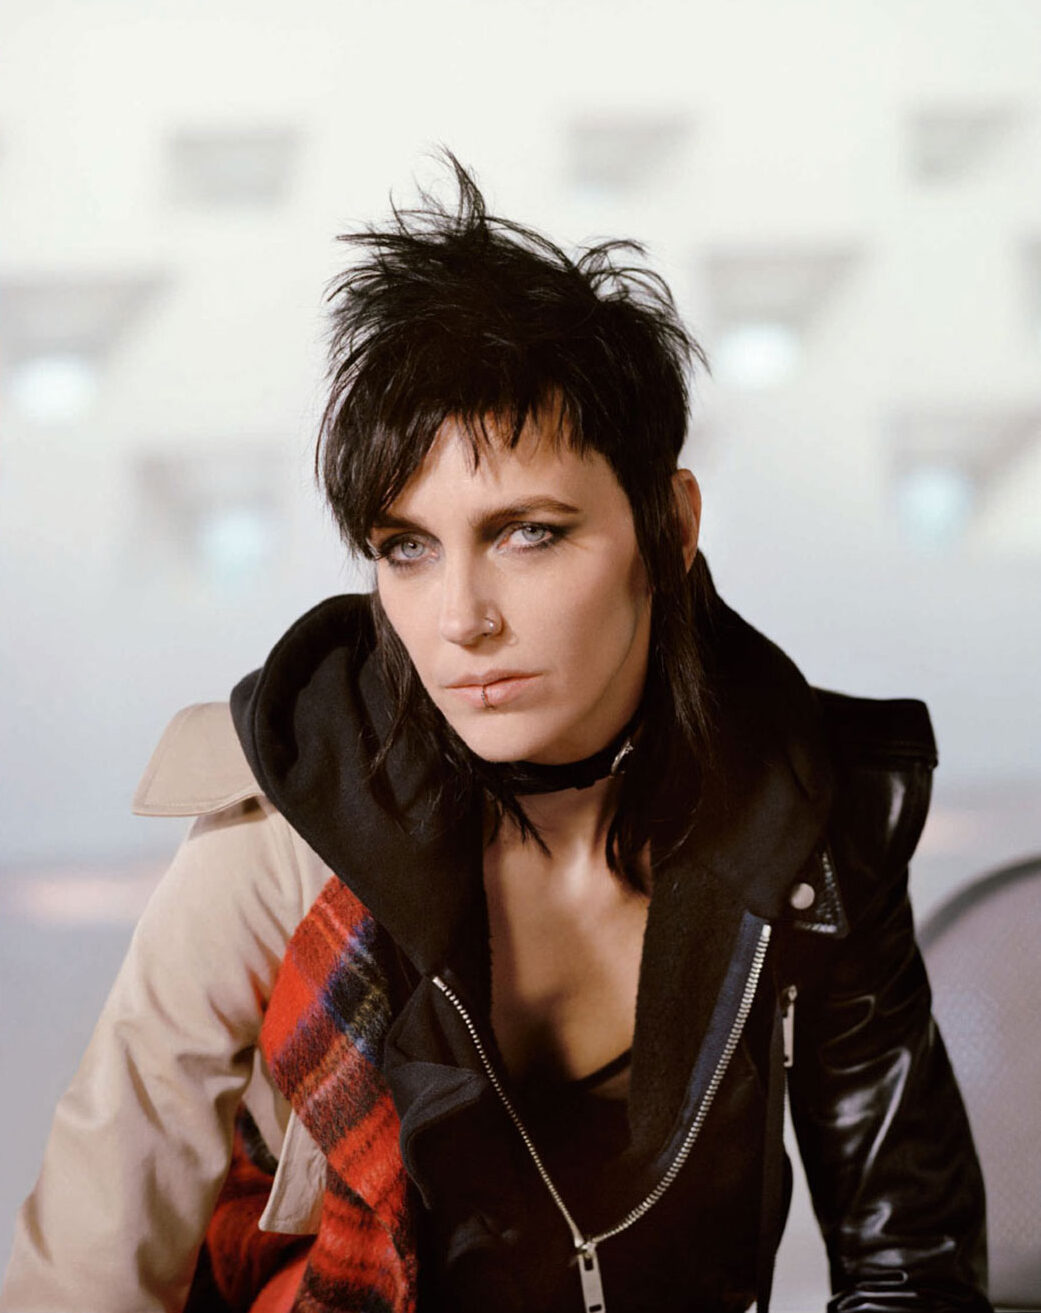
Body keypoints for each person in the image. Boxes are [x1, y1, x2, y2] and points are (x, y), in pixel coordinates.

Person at [2, 160, 990, 1313]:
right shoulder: (285, 824)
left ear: (669, 527)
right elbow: (89, 1263)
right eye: (408, 546)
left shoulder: (810, 810)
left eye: (528, 532)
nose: (461, 618)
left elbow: (908, 1260)